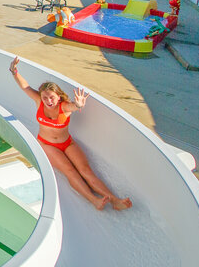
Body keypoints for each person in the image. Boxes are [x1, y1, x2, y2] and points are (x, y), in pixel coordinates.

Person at [9, 57, 131, 211]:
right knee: (70, 171)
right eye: (45, 97)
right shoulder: (39, 102)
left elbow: (74, 106)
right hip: (47, 144)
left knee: (86, 171)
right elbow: (25, 86)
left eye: (52, 97)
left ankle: (115, 200)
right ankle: (94, 200)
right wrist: (14, 72)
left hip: (67, 143)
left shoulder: (64, 107)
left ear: (58, 96)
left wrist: (79, 104)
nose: (48, 101)